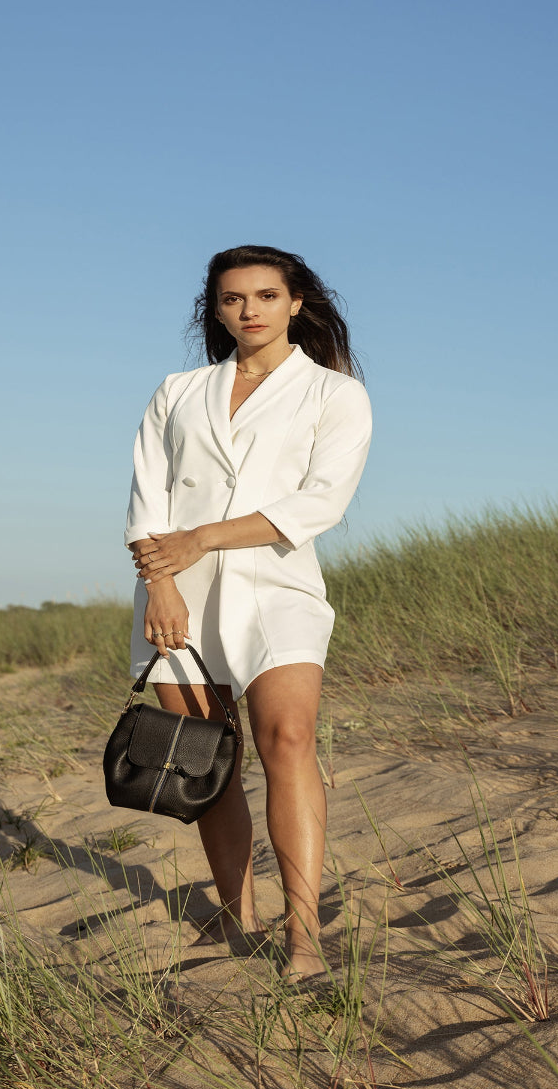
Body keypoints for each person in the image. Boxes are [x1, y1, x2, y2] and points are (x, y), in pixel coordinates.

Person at [125, 244, 372, 979]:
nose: (249, 310)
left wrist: (203, 537)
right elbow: (146, 496)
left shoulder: (334, 394)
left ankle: (304, 935)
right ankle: (238, 914)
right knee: (208, 759)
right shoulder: (178, 391)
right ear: (216, 309)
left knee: (288, 740)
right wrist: (162, 584)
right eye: (233, 298)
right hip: (178, 591)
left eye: (266, 296)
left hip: (278, 586)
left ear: (296, 303)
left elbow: (321, 501)